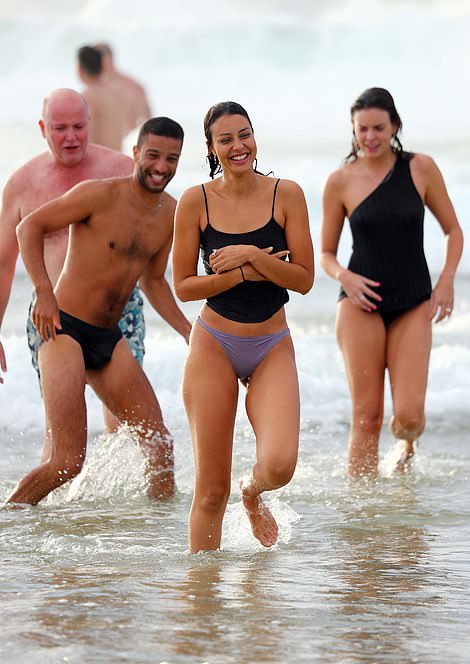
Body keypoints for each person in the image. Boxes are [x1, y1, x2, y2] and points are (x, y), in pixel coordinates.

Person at [5, 116, 190, 506]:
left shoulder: (171, 214)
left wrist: (190, 332)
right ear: (136, 153)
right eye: (153, 155)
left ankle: (155, 543)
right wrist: (43, 291)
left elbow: (154, 282)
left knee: (160, 449)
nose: (161, 167)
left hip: (109, 339)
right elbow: (28, 229)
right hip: (62, 330)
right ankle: (12, 521)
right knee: (67, 461)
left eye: (171, 159)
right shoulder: (98, 194)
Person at [172, 101, 314, 552]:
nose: (239, 146)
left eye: (245, 134)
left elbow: (305, 279)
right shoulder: (196, 201)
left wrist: (248, 254)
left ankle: (251, 495)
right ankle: (202, 604)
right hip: (214, 341)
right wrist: (247, 271)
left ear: (255, 137)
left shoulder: (286, 194)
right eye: (226, 139)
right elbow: (184, 286)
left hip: (272, 342)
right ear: (212, 148)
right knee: (211, 491)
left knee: (279, 466)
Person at [320, 87, 463, 477]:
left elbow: (454, 231)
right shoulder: (339, 181)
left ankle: (407, 443)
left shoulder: (420, 168)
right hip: (358, 305)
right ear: (353, 130)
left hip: (413, 302)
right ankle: (363, 514)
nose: (369, 137)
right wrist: (345, 277)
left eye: (378, 128)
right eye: (361, 129)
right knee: (367, 418)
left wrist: (446, 281)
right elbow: (326, 255)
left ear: (394, 126)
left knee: (409, 416)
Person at [77, 45, 132, 151]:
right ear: (102, 65)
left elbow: (89, 136)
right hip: (117, 156)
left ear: (80, 68)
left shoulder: (86, 97)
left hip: (99, 160)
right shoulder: (119, 93)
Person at [94, 42, 152, 130]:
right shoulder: (96, 87)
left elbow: (146, 120)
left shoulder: (131, 87)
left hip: (127, 140)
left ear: (107, 59)